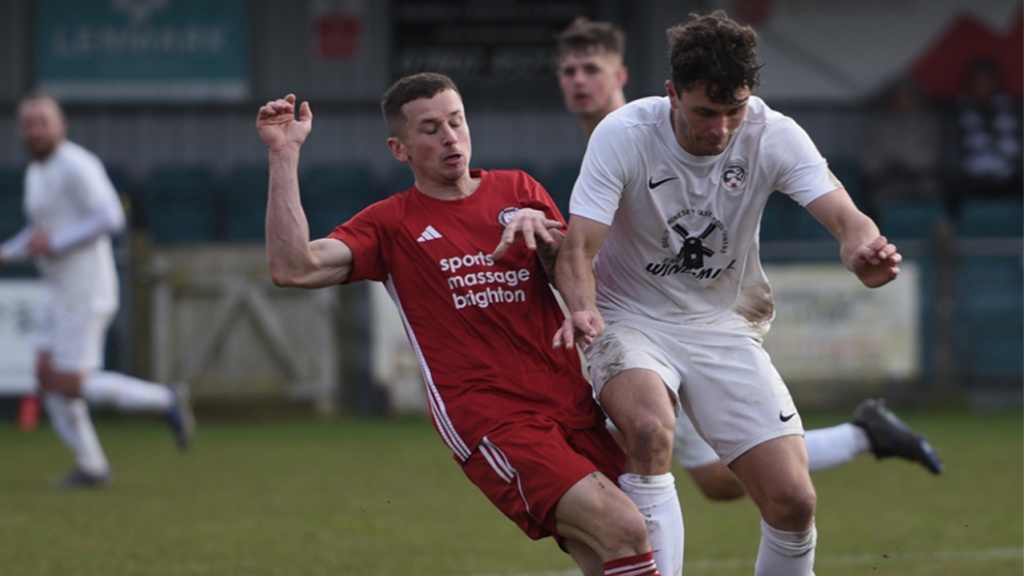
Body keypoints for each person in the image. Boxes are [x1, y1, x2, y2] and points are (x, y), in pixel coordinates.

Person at [255, 73, 664, 576]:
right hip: (492, 420)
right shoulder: (392, 223)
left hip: (571, 405)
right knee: (624, 527)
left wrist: (564, 266)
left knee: (622, 550)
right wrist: (283, 154)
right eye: (430, 129)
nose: (450, 137)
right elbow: (292, 267)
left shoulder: (520, 189)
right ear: (399, 149)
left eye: (456, 121)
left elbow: (573, 269)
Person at [553, 11, 916, 575]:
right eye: (705, 112)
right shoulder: (623, 133)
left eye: (734, 111)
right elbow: (577, 249)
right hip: (629, 319)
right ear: (672, 94)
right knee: (649, 430)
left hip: (723, 325)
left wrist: (863, 251)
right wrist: (582, 311)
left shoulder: (774, 134)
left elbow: (849, 221)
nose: (722, 129)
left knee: (794, 502)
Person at [0, 93, 195, 488]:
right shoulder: (37, 172)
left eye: (42, 121)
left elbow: (111, 216)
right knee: (44, 375)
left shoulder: (76, 164)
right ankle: (91, 466)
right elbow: (42, 234)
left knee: (69, 383)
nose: (35, 130)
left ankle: (166, 400)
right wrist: (9, 251)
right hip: (56, 289)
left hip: (85, 288)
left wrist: (54, 244)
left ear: (62, 125)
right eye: (29, 123)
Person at [946, 56, 1022, 215]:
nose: (982, 87)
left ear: (997, 82)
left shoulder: (1015, 109)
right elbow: (950, 150)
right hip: (969, 180)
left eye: (987, 81)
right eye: (977, 82)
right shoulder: (956, 110)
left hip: (1011, 178)